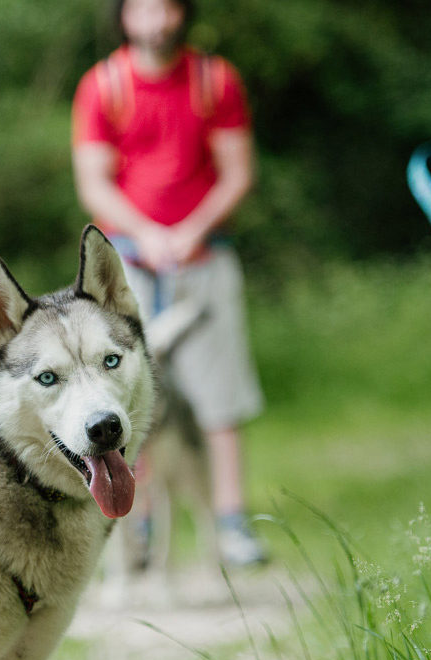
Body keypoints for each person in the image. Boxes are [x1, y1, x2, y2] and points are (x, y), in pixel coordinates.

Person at [71, 0, 268, 568]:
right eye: (143, 8)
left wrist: (190, 231)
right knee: (129, 398)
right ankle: (136, 531)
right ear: (124, 17)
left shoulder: (215, 80)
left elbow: (238, 171)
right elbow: (95, 182)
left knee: (219, 397)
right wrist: (148, 234)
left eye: (166, 7)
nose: (155, 19)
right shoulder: (103, 85)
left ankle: (231, 523)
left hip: (205, 260)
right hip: (129, 266)